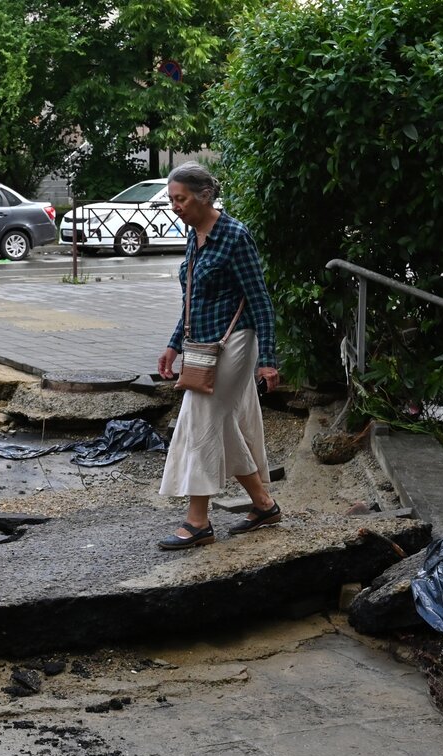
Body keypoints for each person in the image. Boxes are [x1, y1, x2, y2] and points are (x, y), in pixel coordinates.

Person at [156, 161, 282, 550]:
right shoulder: (195, 235)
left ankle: (198, 521)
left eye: (181, 199)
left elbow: (260, 299)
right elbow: (192, 300)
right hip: (203, 346)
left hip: (237, 342)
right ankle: (263, 504)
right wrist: (173, 344)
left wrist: (269, 359)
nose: (175, 206)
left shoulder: (234, 235)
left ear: (204, 196)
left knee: (201, 418)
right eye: (172, 199)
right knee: (221, 423)